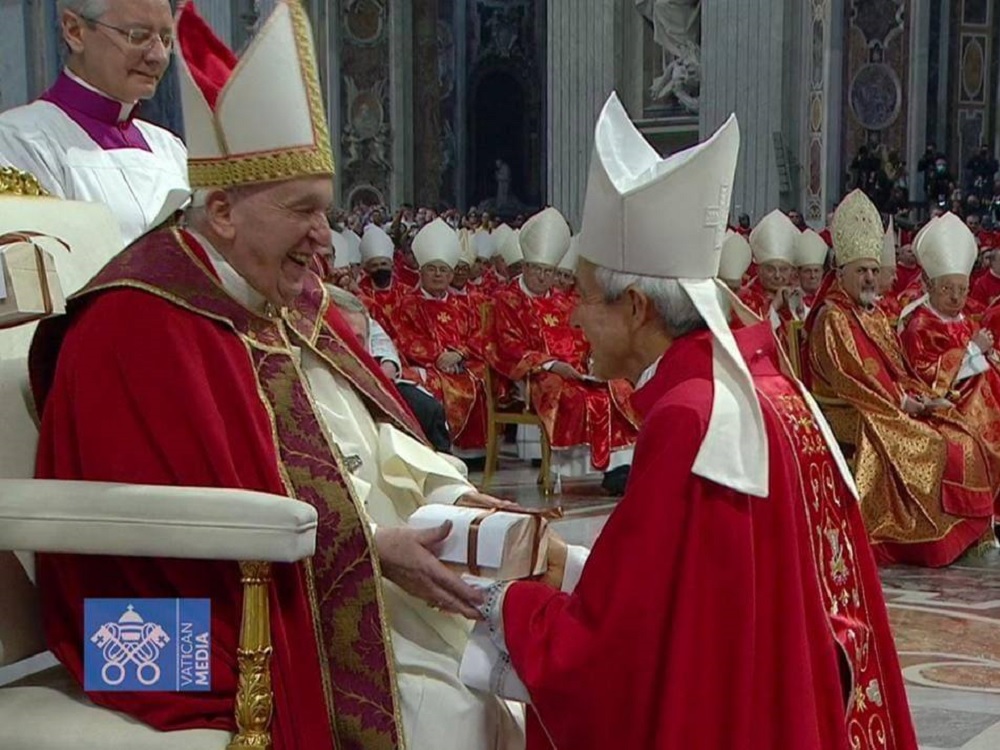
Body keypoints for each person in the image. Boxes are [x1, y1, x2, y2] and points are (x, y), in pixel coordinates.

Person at [28, 4, 523, 748]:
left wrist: (446, 495)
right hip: (172, 625)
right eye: (305, 211)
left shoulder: (282, 297)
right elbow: (149, 534)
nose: (328, 239)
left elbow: (369, 434)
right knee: (451, 711)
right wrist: (365, 545)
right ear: (221, 212)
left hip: (323, 564)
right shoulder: (138, 322)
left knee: (501, 679)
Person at [461, 92, 917, 750]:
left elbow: (618, 649)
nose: (571, 317)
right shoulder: (755, 388)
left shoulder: (691, 418)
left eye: (583, 298)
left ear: (636, 307)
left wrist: (505, 603)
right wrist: (566, 564)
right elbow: (692, 596)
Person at [806, 190, 996, 567]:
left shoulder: (873, 315)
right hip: (857, 409)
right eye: (861, 271)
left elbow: (900, 368)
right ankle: (922, 541)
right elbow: (851, 380)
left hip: (895, 401)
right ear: (840, 272)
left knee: (963, 432)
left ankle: (969, 537)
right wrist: (902, 403)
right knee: (935, 444)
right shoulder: (832, 318)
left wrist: (921, 396)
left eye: (873, 271)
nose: (870, 278)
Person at [0, 0, 188, 245]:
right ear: (75, 31)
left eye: (165, 39)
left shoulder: (171, 149)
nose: (159, 56)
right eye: (138, 36)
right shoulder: (20, 140)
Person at [486, 207, 639, 490]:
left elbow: (584, 340)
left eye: (550, 272)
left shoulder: (562, 302)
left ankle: (619, 466)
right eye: (539, 270)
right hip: (528, 376)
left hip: (574, 371)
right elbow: (507, 346)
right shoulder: (507, 299)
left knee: (618, 388)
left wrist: (593, 361)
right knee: (570, 395)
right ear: (527, 266)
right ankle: (578, 468)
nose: (544, 278)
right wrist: (552, 365)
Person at [900, 213, 1000, 492]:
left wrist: (987, 355)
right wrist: (973, 350)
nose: (956, 298)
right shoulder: (920, 324)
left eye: (962, 289)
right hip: (948, 407)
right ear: (930, 286)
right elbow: (926, 378)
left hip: (980, 398)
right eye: (947, 289)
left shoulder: (964, 320)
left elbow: (984, 360)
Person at [393, 218, 491, 455]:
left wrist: (459, 354)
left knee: (483, 380)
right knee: (421, 383)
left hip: (462, 366)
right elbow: (405, 338)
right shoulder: (408, 303)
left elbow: (482, 335)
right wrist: (438, 356)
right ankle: (434, 446)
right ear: (421, 271)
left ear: (451, 274)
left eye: (443, 270)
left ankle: (471, 451)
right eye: (432, 269)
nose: (438, 275)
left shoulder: (465, 304)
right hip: (427, 366)